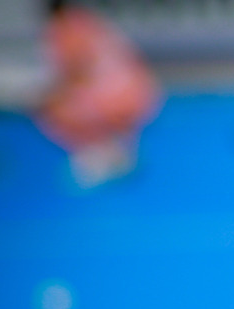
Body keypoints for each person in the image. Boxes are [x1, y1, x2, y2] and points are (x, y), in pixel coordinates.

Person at [36, 0, 160, 188]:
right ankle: (112, 151)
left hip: (113, 99)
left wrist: (52, 94)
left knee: (54, 109)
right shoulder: (88, 21)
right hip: (141, 94)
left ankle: (98, 154)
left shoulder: (66, 28)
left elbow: (78, 68)